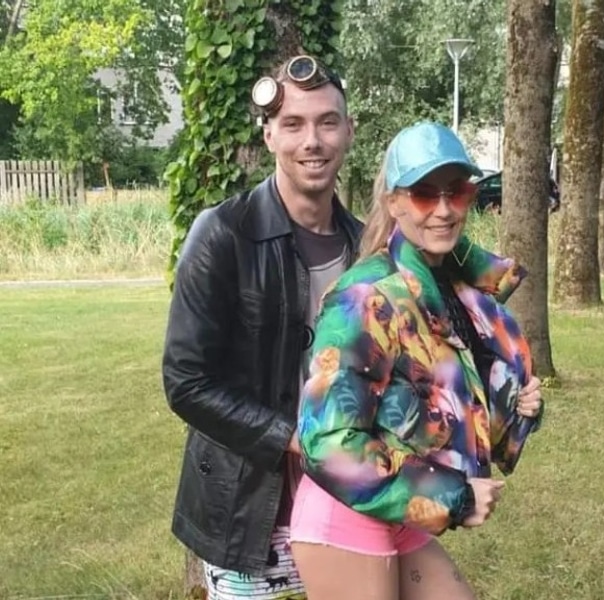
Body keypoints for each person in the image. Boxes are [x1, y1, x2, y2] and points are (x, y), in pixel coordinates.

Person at [290, 121, 544, 600]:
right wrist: (453, 497)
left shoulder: (457, 284)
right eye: (425, 194)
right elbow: (326, 442)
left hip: (399, 509)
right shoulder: (365, 297)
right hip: (346, 516)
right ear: (394, 203)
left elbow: (443, 397)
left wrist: (515, 404)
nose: (444, 210)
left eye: (457, 191)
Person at [161, 54, 362, 600]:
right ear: (269, 134)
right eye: (293, 124)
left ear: (348, 131)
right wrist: (295, 439)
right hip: (250, 513)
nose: (312, 141)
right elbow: (185, 382)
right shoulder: (222, 234)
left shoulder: (366, 247)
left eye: (327, 122)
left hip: (350, 503)